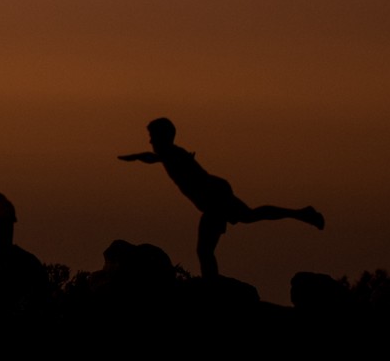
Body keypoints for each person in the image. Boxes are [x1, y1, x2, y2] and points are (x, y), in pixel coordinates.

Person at [118, 117, 324, 279]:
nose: (151, 140)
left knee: (205, 249)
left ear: (164, 136)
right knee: (248, 217)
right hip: (215, 193)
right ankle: (301, 213)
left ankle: (211, 285)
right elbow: (155, 157)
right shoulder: (172, 154)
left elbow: (153, 157)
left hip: (214, 197)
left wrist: (135, 157)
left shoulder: (173, 153)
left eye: (153, 136)